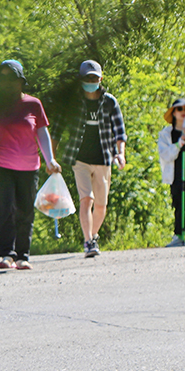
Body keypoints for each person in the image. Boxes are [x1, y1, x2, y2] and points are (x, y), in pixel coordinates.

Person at [0, 59, 60, 270]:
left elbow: (42, 132)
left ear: (21, 82)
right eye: (2, 79)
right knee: (5, 209)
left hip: (29, 167)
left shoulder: (33, 104)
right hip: (1, 165)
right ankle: (6, 254)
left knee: (25, 210)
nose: (7, 83)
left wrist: (50, 160)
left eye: (12, 79)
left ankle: (22, 255)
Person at [55, 60, 127, 258]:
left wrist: (120, 153)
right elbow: (57, 130)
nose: (91, 81)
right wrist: (51, 158)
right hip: (80, 159)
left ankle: (93, 236)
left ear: (100, 79)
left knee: (101, 206)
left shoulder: (110, 101)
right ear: (81, 80)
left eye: (94, 78)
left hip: (104, 158)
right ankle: (88, 241)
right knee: (86, 199)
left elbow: (120, 132)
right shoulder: (72, 102)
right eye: (88, 78)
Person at [159, 99, 185, 247]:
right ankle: (178, 234)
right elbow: (165, 155)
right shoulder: (166, 134)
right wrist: (179, 144)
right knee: (178, 203)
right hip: (175, 175)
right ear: (174, 113)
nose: (183, 112)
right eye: (180, 109)